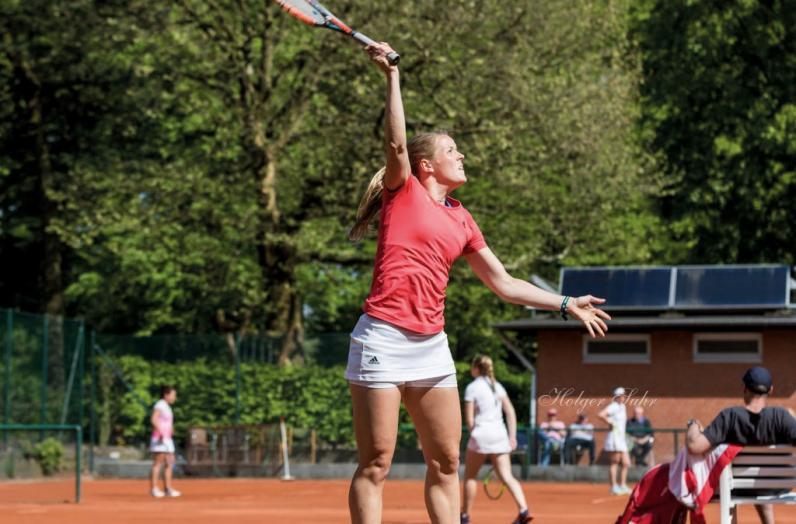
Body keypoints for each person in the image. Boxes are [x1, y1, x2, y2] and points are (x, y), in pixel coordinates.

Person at [344, 41, 612, 524]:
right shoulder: (404, 191)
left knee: (447, 462)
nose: (461, 154)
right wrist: (392, 76)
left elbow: (505, 283)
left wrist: (565, 301)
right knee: (377, 462)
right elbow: (397, 145)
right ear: (426, 166)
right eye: (451, 150)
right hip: (382, 336)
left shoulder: (462, 219)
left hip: (431, 346)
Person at [686, 366, 796, 524]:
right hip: (777, 485)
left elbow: (694, 446)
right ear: (770, 390)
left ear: (744, 388)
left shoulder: (729, 417)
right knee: (760, 483)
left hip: (738, 486)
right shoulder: (781, 417)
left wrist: (693, 424)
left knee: (733, 487)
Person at [461, 356, 531, 524]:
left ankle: (465, 517)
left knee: (470, 477)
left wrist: (475, 435)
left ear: (477, 368)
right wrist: (512, 437)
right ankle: (524, 509)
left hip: (481, 434)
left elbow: (469, 420)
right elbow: (511, 413)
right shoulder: (497, 387)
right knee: (507, 476)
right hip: (500, 435)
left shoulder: (472, 387)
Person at [150, 384, 180, 498]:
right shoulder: (160, 405)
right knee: (158, 463)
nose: (174, 398)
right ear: (166, 395)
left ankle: (168, 488)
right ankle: (154, 489)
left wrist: (171, 429)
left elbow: (166, 421)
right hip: (160, 439)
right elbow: (153, 419)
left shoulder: (167, 406)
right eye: (173, 395)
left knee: (170, 462)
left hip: (167, 439)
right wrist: (160, 432)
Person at [598, 387, 630, 495]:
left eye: (624, 395)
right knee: (615, 462)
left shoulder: (623, 407)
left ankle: (623, 485)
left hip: (621, 438)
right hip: (614, 438)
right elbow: (601, 414)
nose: (623, 397)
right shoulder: (613, 406)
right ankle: (613, 487)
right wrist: (610, 422)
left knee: (626, 463)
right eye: (621, 395)